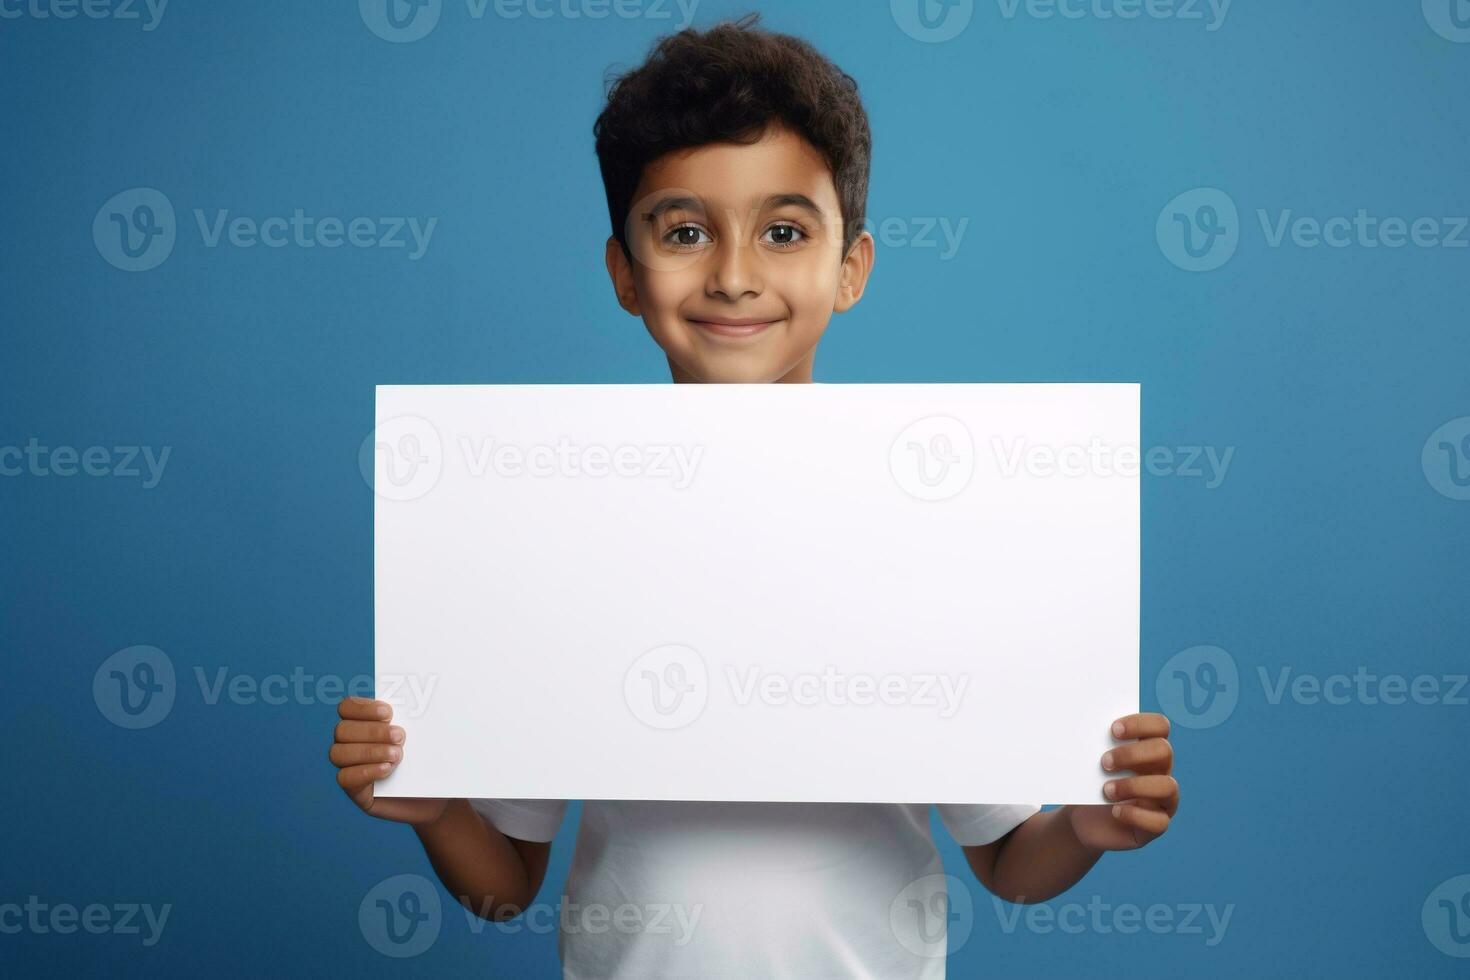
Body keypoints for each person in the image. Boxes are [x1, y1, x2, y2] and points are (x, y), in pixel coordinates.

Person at [331, 15, 1179, 978]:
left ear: (849, 267)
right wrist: (435, 807)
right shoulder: (568, 537)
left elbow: (1010, 865)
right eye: (685, 231)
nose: (734, 277)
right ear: (624, 272)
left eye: (783, 232)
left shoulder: (923, 533)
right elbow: (506, 887)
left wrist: (1089, 823)